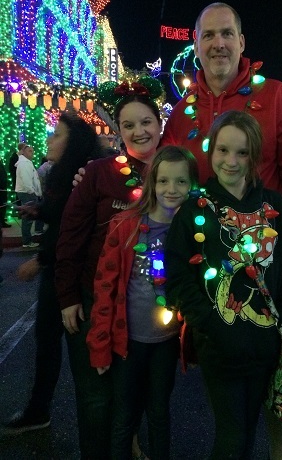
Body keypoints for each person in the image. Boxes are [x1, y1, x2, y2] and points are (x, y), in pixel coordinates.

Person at [162, 2, 282, 310]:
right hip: (202, 263)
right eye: (208, 35)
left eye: (227, 33)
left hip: (265, 261)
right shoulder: (182, 113)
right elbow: (157, 174)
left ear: (241, 42)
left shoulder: (276, 96)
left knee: (265, 349)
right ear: (196, 45)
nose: (218, 43)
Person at [165, 110, 282, 459]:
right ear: (211, 152)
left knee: (248, 433)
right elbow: (178, 274)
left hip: (262, 344)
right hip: (218, 344)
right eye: (223, 150)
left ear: (254, 155)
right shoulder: (195, 207)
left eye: (241, 152)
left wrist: (281, 319)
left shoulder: (276, 205)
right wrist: (207, 324)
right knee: (231, 437)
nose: (231, 161)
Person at [55, 78, 164, 459]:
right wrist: (67, 297)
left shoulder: (173, 175)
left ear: (159, 124)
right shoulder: (99, 173)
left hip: (142, 307)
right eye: (129, 124)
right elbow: (70, 236)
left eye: (146, 122)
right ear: (118, 131)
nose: (139, 131)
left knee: (129, 398)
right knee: (95, 401)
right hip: (93, 300)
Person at [86, 145, 199, 459]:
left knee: (160, 410)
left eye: (181, 182)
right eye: (163, 181)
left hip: (166, 340)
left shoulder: (193, 230)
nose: (171, 189)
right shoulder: (126, 224)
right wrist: (99, 344)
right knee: (124, 414)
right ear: (152, 183)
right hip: (128, 342)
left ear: (192, 185)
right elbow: (104, 288)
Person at [2, 113, 104, 435]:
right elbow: (58, 213)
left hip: (71, 276)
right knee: (47, 341)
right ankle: (40, 409)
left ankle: (102, 426)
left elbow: (70, 228)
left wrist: (40, 261)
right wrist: (38, 210)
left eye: (56, 134)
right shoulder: (62, 172)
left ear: (73, 142)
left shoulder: (84, 174)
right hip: (58, 272)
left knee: (78, 350)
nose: (48, 140)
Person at [15, 145, 42, 248]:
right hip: (27, 193)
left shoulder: (26, 163)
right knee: (28, 217)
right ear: (24, 152)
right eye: (30, 151)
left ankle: (28, 239)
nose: (32, 153)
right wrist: (33, 192)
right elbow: (27, 181)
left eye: (33, 151)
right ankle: (27, 241)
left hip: (28, 192)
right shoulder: (24, 164)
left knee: (28, 216)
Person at [0, 157, 11, 228]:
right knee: (2, 205)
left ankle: (1, 220)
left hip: (3, 188)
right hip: (1, 188)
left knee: (3, 204)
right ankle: (1, 222)